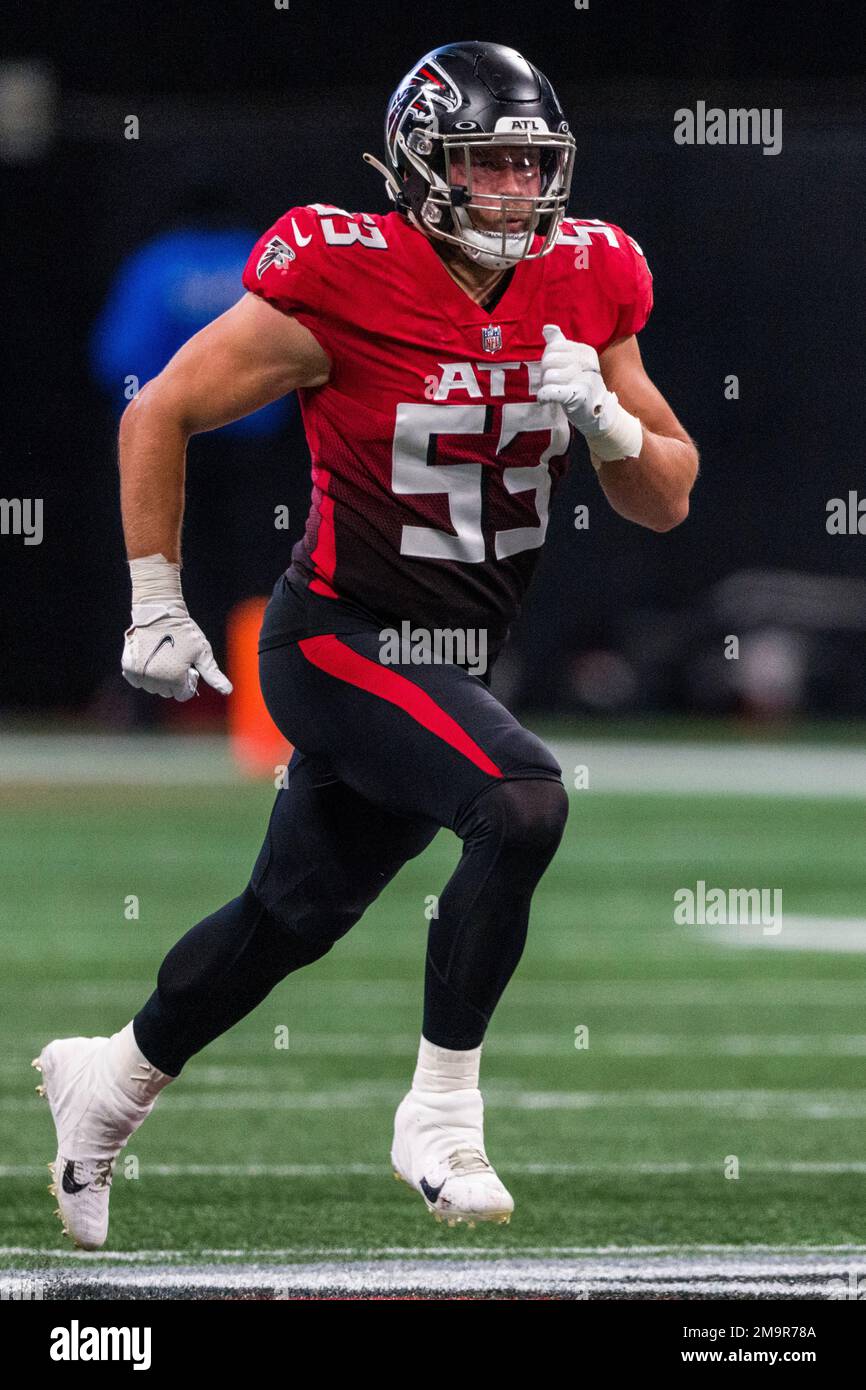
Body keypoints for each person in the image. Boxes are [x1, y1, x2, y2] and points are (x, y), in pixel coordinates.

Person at [33, 41, 698, 1248]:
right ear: (417, 167)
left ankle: (112, 1076)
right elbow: (161, 407)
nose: (509, 189)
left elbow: (665, 495)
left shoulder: (591, 275)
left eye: (526, 164)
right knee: (524, 799)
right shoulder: (341, 274)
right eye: (482, 163)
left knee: (290, 915)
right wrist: (154, 599)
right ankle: (440, 1114)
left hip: (450, 657)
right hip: (337, 635)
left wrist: (602, 419)